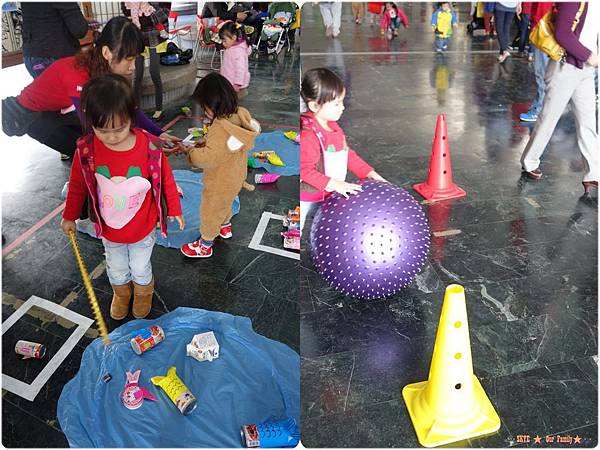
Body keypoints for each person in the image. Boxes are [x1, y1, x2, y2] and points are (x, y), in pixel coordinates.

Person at [61, 74, 184, 320]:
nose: (112, 137)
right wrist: (69, 216)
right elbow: (77, 186)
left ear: (131, 116)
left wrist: (174, 208)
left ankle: (143, 292)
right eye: (102, 130)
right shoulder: (87, 150)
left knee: (140, 266)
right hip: (109, 228)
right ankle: (122, 293)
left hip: (142, 226)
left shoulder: (149, 147)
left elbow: (166, 179)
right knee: (115, 266)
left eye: (119, 129)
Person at [2, 16, 181, 159]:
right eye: (129, 59)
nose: (133, 67)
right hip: (31, 116)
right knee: (92, 153)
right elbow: (95, 127)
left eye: (135, 59)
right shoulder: (78, 76)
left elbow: (128, 110)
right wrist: (147, 145)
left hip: (57, 110)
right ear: (107, 53)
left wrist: (158, 134)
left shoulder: (104, 68)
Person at [520, 2, 598, 194]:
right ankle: (529, 161)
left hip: (586, 70)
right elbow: (562, 33)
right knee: (549, 118)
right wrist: (588, 55)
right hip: (566, 68)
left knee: (588, 122)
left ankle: (594, 173)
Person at [180, 73, 260, 258]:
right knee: (225, 202)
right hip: (235, 175)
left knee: (211, 209)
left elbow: (210, 158)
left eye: (204, 107)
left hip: (220, 179)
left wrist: (190, 152)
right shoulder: (240, 114)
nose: (204, 111)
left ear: (213, 103)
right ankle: (225, 226)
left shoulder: (220, 127)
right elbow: (226, 146)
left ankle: (205, 244)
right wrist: (207, 141)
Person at [299, 68, 386, 231]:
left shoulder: (334, 127)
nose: (343, 107)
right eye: (337, 103)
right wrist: (335, 184)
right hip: (307, 198)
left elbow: (348, 155)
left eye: (342, 101)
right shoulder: (309, 136)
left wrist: (369, 173)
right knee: (298, 227)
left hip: (328, 194)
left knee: (322, 229)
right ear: (314, 105)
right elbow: (304, 170)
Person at [122, 2, 169, 120]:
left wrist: (143, 14)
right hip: (138, 36)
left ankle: (159, 109)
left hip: (155, 36)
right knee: (137, 75)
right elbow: (125, 9)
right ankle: (136, 109)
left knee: (154, 73)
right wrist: (141, 13)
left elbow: (164, 14)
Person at [21, 2, 89, 79]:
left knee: (47, 86)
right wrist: (83, 23)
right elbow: (79, 30)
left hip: (32, 56)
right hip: (56, 56)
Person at [519, 2, 553, 122]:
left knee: (542, 74)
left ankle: (539, 110)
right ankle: (542, 107)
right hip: (544, 29)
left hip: (544, 30)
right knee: (545, 73)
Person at [219, 21, 252, 97]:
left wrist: (237, 84)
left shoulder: (238, 52)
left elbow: (240, 70)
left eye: (224, 40)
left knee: (233, 102)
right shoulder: (231, 48)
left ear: (233, 38)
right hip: (229, 83)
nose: (223, 43)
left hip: (235, 86)